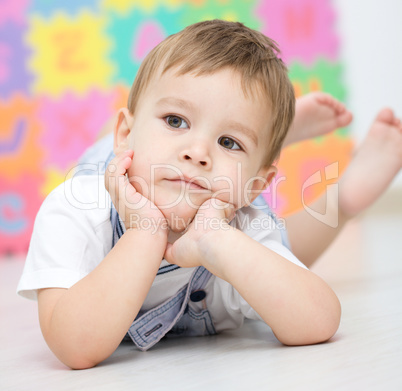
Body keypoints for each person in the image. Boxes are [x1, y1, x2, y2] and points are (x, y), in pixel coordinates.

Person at [16, 20, 402, 370]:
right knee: (133, 150)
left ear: (258, 184)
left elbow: (318, 320)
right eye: (175, 120)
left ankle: (339, 196)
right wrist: (144, 232)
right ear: (126, 133)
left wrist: (217, 240)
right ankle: (258, 137)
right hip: (125, 164)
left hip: (211, 190)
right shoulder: (77, 207)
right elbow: (74, 345)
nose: (197, 151)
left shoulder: (236, 218)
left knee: (277, 245)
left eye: (227, 141)